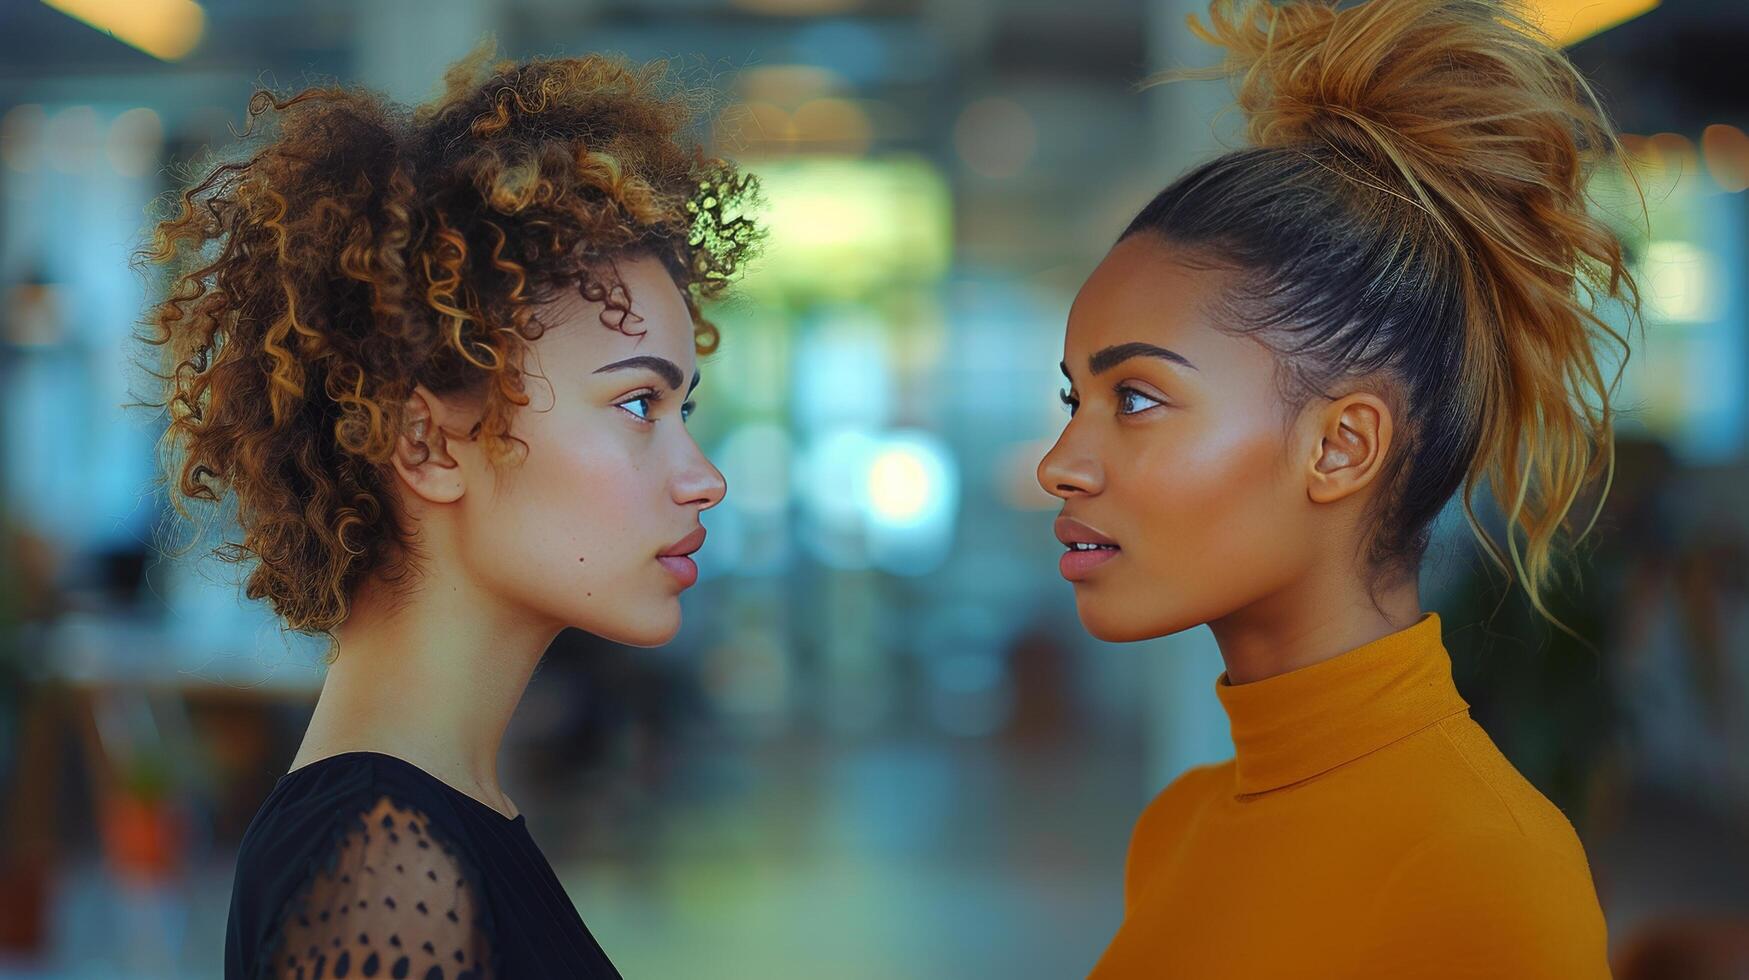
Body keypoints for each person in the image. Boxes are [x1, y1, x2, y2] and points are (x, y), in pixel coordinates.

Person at [1037, 0, 1639, 975]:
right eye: (1075, 397)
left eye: (1136, 397)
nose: (1059, 461)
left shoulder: (1485, 869)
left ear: (1342, 446)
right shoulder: (1178, 827)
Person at [138, 46, 757, 979]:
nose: (703, 477)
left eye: (686, 411)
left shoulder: (428, 824)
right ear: (425, 446)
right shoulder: (386, 864)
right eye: (638, 405)